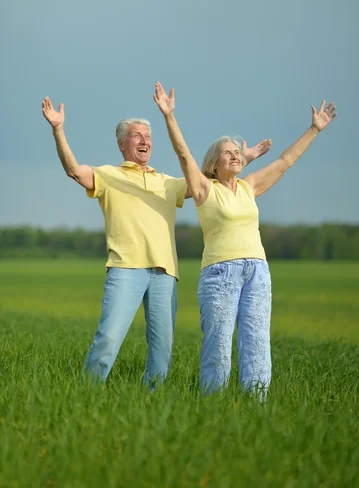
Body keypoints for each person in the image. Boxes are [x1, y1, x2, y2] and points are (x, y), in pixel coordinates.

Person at [41, 96, 271, 384]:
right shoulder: (108, 175)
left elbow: (207, 179)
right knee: (108, 340)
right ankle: (86, 392)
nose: (144, 141)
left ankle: (152, 402)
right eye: (137, 135)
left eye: (148, 136)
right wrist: (58, 130)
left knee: (162, 352)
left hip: (165, 274)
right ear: (122, 143)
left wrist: (242, 158)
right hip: (125, 268)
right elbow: (74, 170)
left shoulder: (167, 182)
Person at [153, 81, 337, 394]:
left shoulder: (250, 186)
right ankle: (213, 405)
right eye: (228, 153)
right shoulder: (204, 190)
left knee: (256, 342)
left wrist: (315, 129)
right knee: (219, 346)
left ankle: (256, 407)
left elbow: (284, 161)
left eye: (238, 152)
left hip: (258, 272)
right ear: (214, 162)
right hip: (220, 273)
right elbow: (183, 155)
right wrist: (169, 116)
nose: (235, 156)